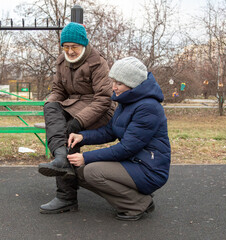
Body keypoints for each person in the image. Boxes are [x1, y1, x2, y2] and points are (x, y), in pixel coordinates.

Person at [66, 56, 171, 221]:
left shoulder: (148, 107)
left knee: (92, 171)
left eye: (119, 83)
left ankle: (137, 204)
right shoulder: (126, 102)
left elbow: (126, 148)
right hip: (133, 163)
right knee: (79, 173)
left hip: (149, 169)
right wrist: (82, 137)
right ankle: (135, 198)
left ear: (133, 84)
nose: (113, 87)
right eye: (113, 81)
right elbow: (110, 132)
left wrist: (85, 157)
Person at [38, 22, 116, 213]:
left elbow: (104, 99)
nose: (70, 51)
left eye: (74, 47)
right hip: (73, 106)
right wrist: (51, 105)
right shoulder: (61, 61)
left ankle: (66, 197)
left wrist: (78, 121)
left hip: (100, 111)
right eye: (66, 47)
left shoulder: (97, 62)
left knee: (67, 128)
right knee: (50, 107)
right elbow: (58, 90)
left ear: (83, 44)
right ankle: (61, 157)